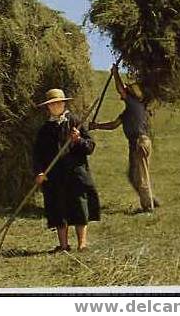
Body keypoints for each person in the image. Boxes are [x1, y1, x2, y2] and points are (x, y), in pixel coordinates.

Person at [33, 88, 100, 252]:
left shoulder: (75, 122)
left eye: (58, 103)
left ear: (64, 103)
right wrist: (39, 172)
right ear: (48, 107)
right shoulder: (45, 129)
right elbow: (37, 154)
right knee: (58, 209)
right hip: (54, 177)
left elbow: (90, 147)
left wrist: (78, 140)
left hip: (76, 173)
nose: (55, 106)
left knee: (79, 207)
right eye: (52, 104)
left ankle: (82, 244)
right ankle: (63, 245)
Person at [89, 64, 160, 213]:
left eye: (126, 91)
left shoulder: (135, 105)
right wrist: (96, 126)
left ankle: (148, 208)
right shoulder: (128, 111)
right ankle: (151, 199)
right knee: (133, 175)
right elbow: (113, 125)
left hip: (139, 142)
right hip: (136, 143)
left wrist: (115, 73)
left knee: (140, 175)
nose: (122, 93)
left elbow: (120, 89)